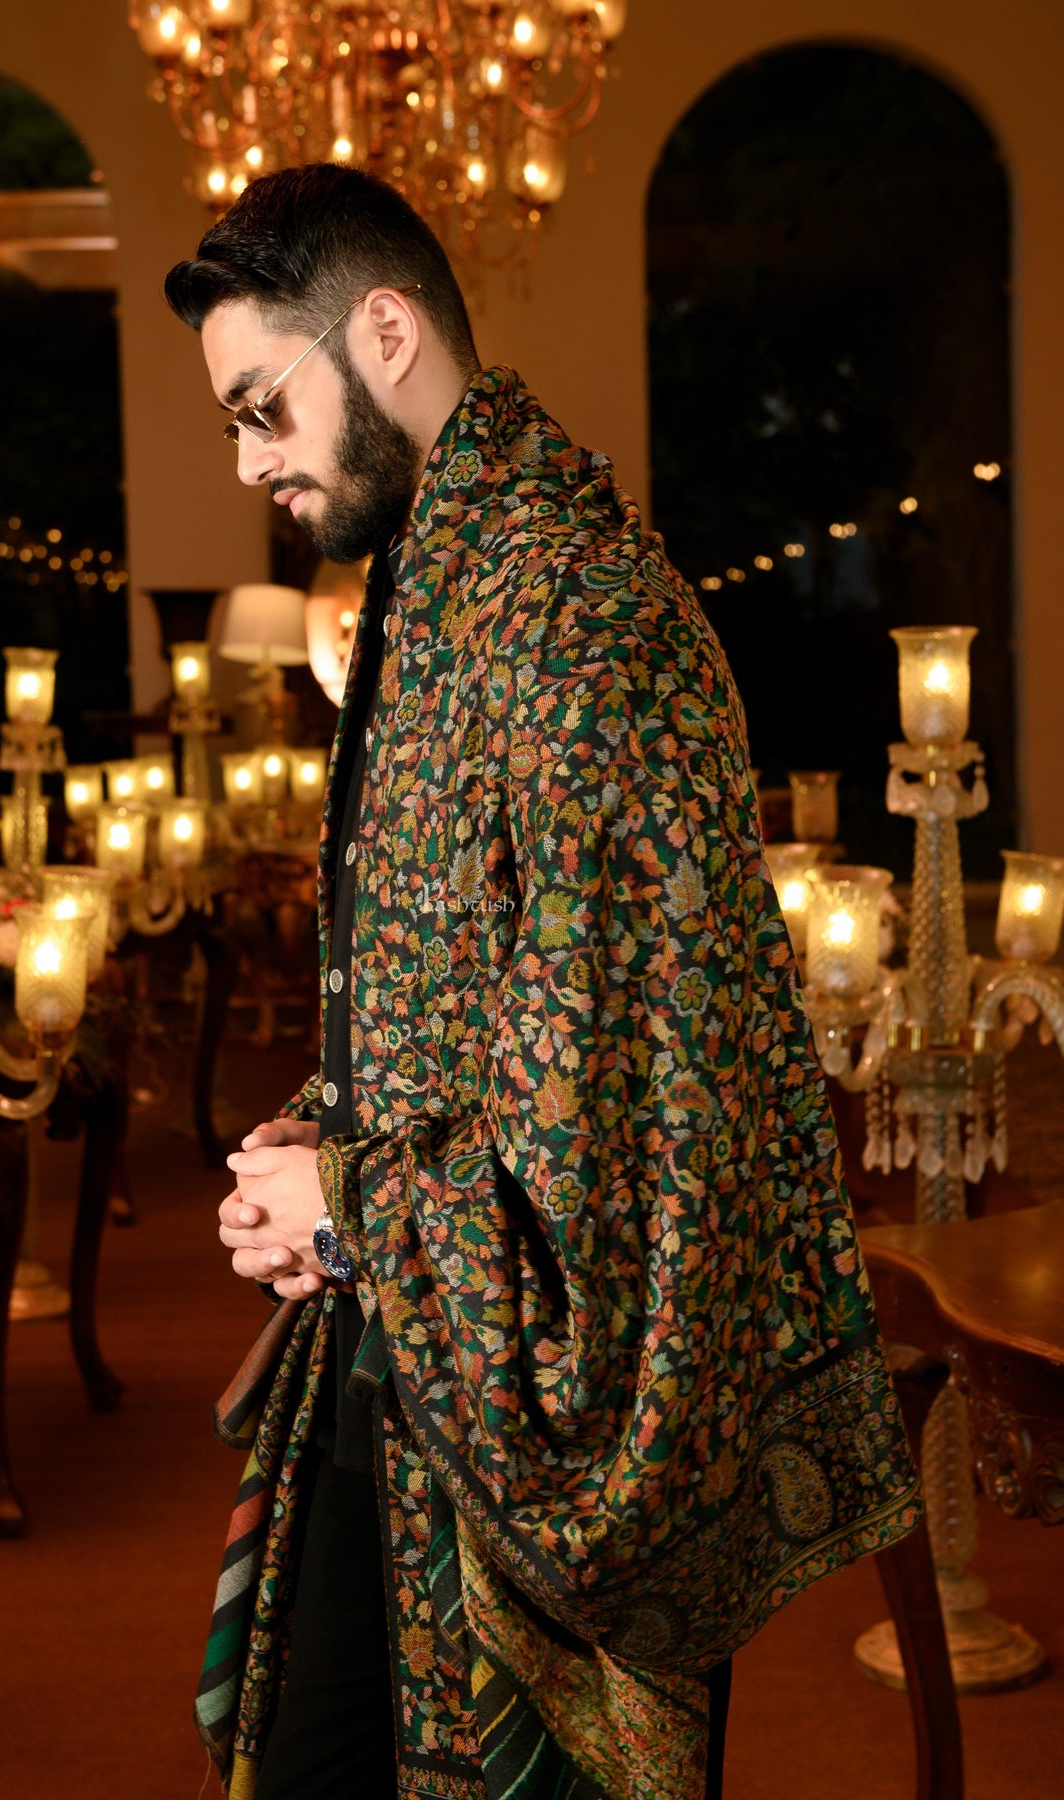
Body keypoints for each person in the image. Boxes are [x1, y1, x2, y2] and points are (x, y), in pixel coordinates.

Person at [165, 164, 921, 1800]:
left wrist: (351, 1209)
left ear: (382, 333)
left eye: (261, 407)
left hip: (525, 1383)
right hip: (415, 1334)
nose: (249, 461)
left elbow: (642, 1114)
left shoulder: (581, 622)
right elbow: (463, 984)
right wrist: (312, 1143)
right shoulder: (446, 589)